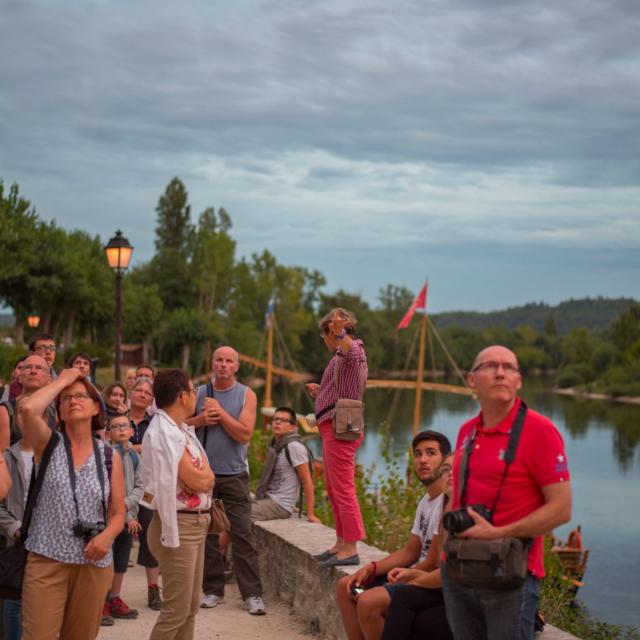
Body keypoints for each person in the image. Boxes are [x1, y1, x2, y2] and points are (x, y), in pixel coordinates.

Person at [441, 345, 572, 640]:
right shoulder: (467, 431)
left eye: (509, 367)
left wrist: (498, 532)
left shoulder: (540, 431)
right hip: (459, 567)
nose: (500, 372)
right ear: (472, 380)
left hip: (509, 575)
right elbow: (457, 496)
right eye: (490, 366)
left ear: (518, 381)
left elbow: (561, 508)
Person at [19, 368, 126, 640]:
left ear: (95, 408)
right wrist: (65, 379)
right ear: (60, 412)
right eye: (65, 399)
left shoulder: (109, 457)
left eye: (80, 396)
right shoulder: (48, 444)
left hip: (94, 562)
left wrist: (107, 536)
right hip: (47, 559)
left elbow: (117, 512)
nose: (72, 400)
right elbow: (29, 409)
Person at [336, 430, 450, 640]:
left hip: (430, 581)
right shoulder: (425, 502)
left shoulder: (446, 502)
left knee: (368, 601)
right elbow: (410, 551)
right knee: (346, 586)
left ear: (445, 461)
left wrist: (403, 576)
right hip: (414, 572)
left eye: (431, 453)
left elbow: (433, 561)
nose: (422, 460)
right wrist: (372, 568)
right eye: (417, 454)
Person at [189, 346, 265, 615]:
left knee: (242, 533)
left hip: (234, 474)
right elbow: (179, 426)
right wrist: (199, 418)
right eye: (219, 360)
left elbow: (244, 434)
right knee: (207, 535)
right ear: (213, 364)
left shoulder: (246, 394)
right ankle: (212, 590)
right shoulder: (198, 393)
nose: (223, 365)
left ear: (236, 366)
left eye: (228, 361)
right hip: (202, 474)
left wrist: (220, 414)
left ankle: (252, 595)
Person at [140, 368, 215, 640]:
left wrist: (205, 478)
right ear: (183, 396)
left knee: (190, 606)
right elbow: (199, 480)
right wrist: (205, 479)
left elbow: (205, 475)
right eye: (194, 391)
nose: (196, 395)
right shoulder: (164, 432)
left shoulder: (179, 429)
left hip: (194, 524)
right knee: (176, 609)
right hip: (180, 527)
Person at [306, 308, 368, 567]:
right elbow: (345, 386)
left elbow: (351, 352)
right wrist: (321, 392)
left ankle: (350, 547)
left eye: (326, 337)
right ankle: (341, 542)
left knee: (343, 488)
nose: (326, 342)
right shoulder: (339, 358)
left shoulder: (352, 351)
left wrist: (339, 331)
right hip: (332, 426)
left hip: (340, 429)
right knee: (334, 488)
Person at [381, 454, 455, 640]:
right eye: (446, 470)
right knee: (405, 601)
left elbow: (452, 573)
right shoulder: (447, 510)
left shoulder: (469, 513)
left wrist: (414, 580)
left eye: (457, 469)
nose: (450, 474)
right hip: (453, 591)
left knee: (410, 610)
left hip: (475, 599)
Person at [101, 413, 143, 626]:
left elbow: (139, 486)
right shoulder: (105, 456)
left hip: (128, 518)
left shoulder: (135, 457)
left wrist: (128, 511)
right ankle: (101, 601)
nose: (120, 429)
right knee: (106, 560)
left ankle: (114, 597)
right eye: (115, 426)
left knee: (120, 562)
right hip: (110, 519)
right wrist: (123, 514)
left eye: (124, 426)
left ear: (132, 431)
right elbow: (107, 490)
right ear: (108, 433)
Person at [0, 398, 36, 640]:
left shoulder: (57, 457)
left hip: (48, 541)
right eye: (22, 413)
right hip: (17, 540)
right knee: (13, 603)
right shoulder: (6, 457)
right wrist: (14, 527)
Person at [252, 406, 319, 523]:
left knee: (240, 513)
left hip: (280, 505)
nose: (278, 422)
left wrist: (310, 514)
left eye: (283, 420)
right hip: (268, 498)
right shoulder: (274, 444)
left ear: (292, 427)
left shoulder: (294, 446)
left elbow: (307, 481)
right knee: (232, 505)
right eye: (275, 419)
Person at [128, 376, 160, 608]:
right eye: (137, 390)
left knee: (151, 536)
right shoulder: (118, 420)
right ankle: (110, 594)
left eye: (146, 393)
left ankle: (153, 589)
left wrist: (132, 447)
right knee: (118, 540)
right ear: (131, 393)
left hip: (148, 487)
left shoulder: (155, 423)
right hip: (122, 486)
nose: (141, 394)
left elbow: (156, 450)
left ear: (151, 400)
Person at [0, 355, 53, 451]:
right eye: (28, 367)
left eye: (39, 368)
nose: (33, 371)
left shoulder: (53, 412)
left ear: (49, 379)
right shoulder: (6, 411)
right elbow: (2, 460)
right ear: (20, 378)